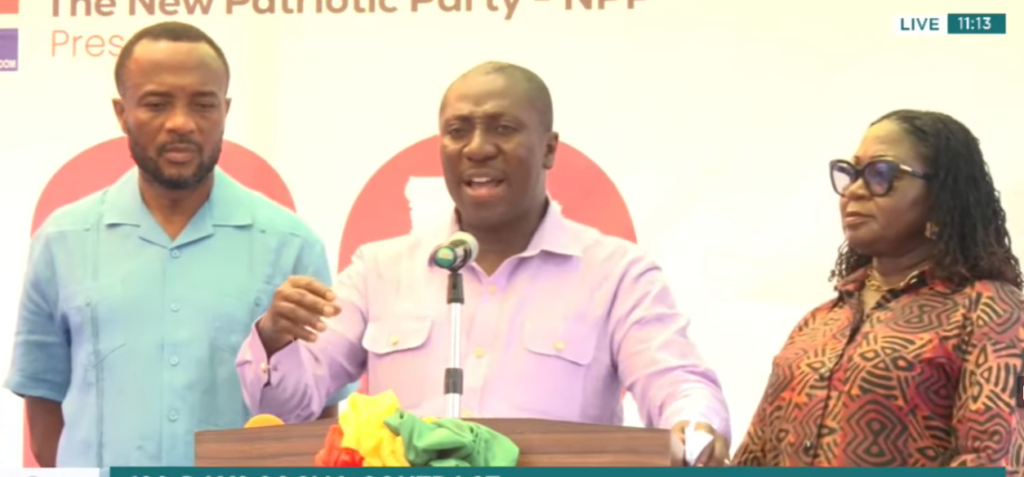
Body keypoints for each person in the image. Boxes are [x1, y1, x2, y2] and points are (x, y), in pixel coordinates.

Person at [235, 61, 732, 466]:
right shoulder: (378, 269)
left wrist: (695, 429)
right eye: (458, 131)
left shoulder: (617, 273)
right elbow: (287, 408)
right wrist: (277, 340)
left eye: (503, 128)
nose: (477, 148)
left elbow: (677, 383)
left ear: (549, 149)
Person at [3, 21, 355, 468]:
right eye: (157, 104)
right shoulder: (63, 241)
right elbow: (44, 417)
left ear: (225, 110)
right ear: (122, 112)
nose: (181, 123)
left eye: (203, 104)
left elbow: (319, 419)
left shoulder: (290, 244)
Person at [733, 109, 1024, 467]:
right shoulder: (818, 323)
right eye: (851, 173)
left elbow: (994, 461)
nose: (854, 191)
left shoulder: (989, 310)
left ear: (941, 196)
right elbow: (754, 459)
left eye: (881, 174)